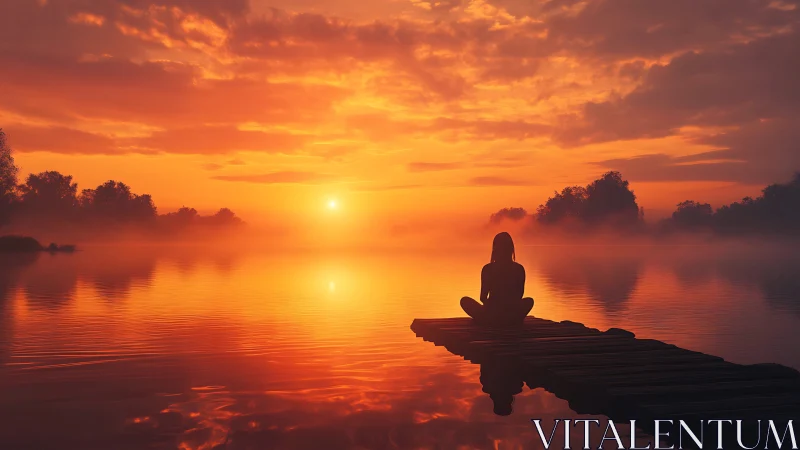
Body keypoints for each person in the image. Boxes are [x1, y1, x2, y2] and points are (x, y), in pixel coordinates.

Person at [460, 232, 534, 325]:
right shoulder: (519, 269)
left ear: (495, 249)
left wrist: (491, 308)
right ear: (511, 249)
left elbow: (483, 297)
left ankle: (488, 319)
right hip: (511, 313)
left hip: (491, 313)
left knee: (465, 301)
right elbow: (519, 296)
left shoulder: (487, 269)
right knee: (529, 301)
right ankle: (510, 320)